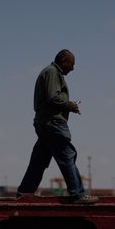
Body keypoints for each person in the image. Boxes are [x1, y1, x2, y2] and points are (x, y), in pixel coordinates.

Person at [17, 49, 98, 204]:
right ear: (63, 60)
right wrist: (69, 105)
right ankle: (78, 194)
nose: (73, 68)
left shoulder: (51, 72)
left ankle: (24, 194)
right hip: (53, 123)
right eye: (71, 64)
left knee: (38, 161)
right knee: (67, 155)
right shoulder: (53, 72)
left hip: (45, 124)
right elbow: (52, 97)